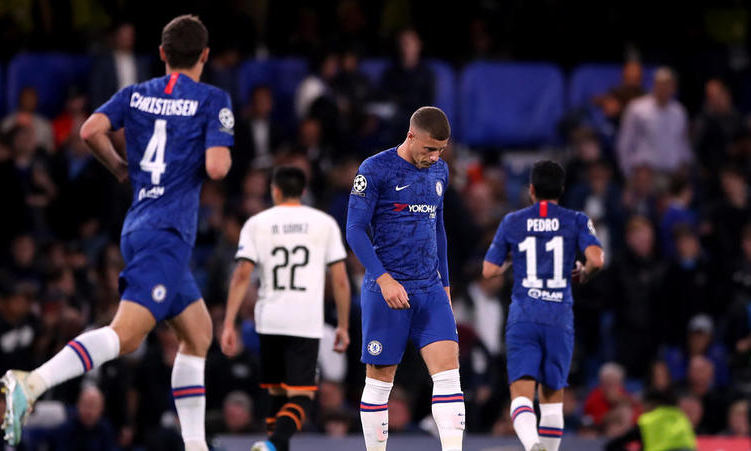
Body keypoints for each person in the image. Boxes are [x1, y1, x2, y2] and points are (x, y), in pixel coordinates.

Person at [0, 15, 234, 451]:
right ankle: (31, 382)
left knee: (198, 333)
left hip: (141, 225)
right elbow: (218, 167)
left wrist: (120, 167)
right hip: (167, 233)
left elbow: (90, 131)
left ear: (162, 54)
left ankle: (196, 446)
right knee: (126, 336)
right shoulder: (212, 99)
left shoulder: (136, 93)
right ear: (204, 55)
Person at [346, 106, 462, 451]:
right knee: (380, 381)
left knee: (449, 375)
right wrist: (383, 280)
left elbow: (437, 228)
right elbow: (354, 230)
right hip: (387, 290)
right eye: (429, 148)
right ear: (411, 136)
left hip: (430, 288)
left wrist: (445, 285)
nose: (435, 156)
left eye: (441, 149)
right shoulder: (375, 169)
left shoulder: (440, 170)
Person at [221, 166, 351, 451]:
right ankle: (274, 444)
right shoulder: (324, 223)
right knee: (302, 395)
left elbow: (242, 274)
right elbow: (340, 279)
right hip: (305, 320)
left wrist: (229, 323)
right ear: (303, 192)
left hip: (269, 319)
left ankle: (274, 447)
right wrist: (342, 324)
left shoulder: (257, 223)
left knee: (277, 393)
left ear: (275, 191)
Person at [483, 160, 605, 451]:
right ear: (561, 190)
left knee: (521, 396)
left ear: (531, 189)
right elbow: (597, 259)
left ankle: (531, 443)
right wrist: (585, 272)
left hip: (524, 315)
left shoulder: (512, 221)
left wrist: (514, 258)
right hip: (558, 317)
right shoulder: (576, 219)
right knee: (552, 400)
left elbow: (488, 270)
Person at [605, 390, 696, 451]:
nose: (641, 408)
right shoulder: (681, 418)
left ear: (650, 405)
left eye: (643, 405)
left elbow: (613, 445)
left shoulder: (649, 421)